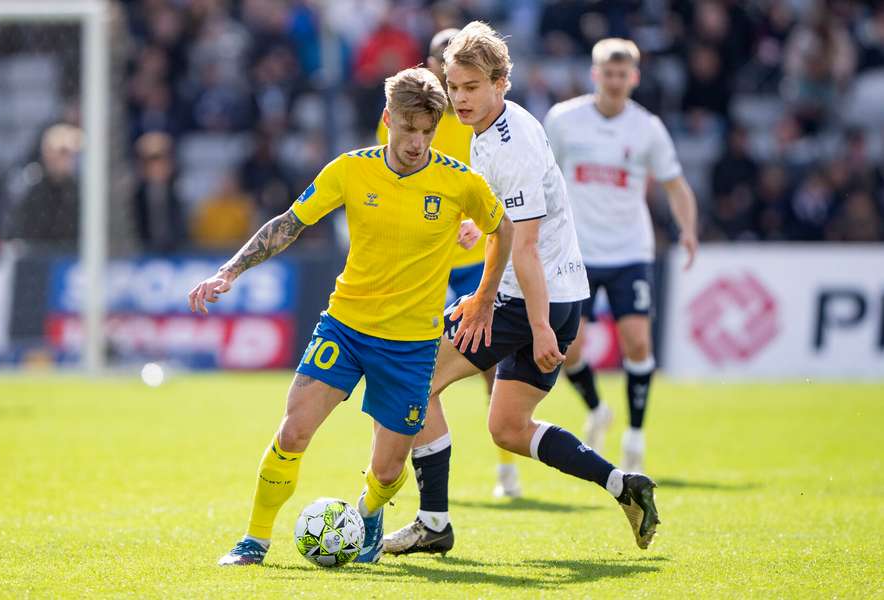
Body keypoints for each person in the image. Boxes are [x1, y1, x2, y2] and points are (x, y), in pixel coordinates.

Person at [189, 66, 513, 566]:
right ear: (388, 120)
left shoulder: (458, 181)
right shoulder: (351, 169)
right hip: (345, 326)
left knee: (387, 472)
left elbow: (503, 229)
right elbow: (290, 223)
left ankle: (368, 516)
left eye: (427, 131)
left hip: (411, 346)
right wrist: (230, 271)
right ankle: (253, 540)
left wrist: (486, 294)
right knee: (293, 431)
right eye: (409, 129)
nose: (417, 142)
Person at [384, 22, 660, 557]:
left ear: (501, 82)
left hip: (532, 300)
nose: (459, 99)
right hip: (555, 295)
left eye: (470, 88)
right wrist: (480, 227)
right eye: (453, 86)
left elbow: (527, 249)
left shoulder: (510, 144)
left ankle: (431, 522)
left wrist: (520, 319)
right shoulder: (497, 127)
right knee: (509, 428)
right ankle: (623, 485)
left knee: (412, 379)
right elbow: (509, 220)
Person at [376, 28, 522, 499]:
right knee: (405, 363)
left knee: (487, 368)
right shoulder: (416, 116)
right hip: (426, 261)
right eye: (442, 64)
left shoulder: (477, 116)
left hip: (476, 258)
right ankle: (395, 475)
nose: (449, 78)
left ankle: (505, 470)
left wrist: (478, 224)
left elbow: (497, 190)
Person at [544, 38, 699, 471]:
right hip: (577, 251)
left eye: (622, 75)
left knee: (637, 341)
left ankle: (634, 436)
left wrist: (687, 228)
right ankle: (596, 407)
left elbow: (675, 183)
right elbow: (540, 175)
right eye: (607, 74)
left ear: (634, 77)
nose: (615, 82)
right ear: (596, 75)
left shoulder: (647, 128)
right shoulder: (564, 120)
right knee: (568, 351)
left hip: (631, 249)